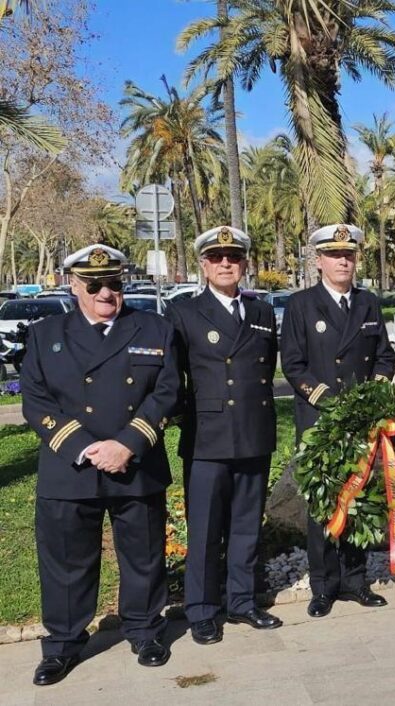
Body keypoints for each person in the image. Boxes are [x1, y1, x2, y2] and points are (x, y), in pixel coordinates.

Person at [21, 245, 180, 686]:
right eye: (93, 285)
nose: (105, 293)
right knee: (66, 563)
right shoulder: (45, 334)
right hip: (70, 466)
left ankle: (145, 631)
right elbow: (35, 400)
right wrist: (87, 447)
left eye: (113, 283)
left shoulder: (154, 328)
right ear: (73, 286)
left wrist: (127, 444)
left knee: (144, 556)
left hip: (135, 463)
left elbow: (167, 391)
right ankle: (63, 645)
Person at [166, 226, 282, 645]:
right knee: (204, 529)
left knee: (246, 524)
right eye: (216, 257)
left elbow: (265, 369)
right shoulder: (183, 312)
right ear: (203, 265)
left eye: (233, 257)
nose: (226, 264)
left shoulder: (261, 312)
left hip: (253, 430)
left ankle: (242, 601)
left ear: (245, 263)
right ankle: (201, 610)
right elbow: (172, 376)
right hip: (208, 436)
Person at [280, 224, 395, 618]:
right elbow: (292, 364)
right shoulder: (301, 305)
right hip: (321, 419)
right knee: (323, 503)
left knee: (358, 498)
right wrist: (328, 400)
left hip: (360, 421)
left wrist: (371, 396)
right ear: (319, 261)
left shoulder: (368, 303)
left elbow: (384, 356)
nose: (343, 261)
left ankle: (355, 580)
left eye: (348, 255)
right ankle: (324, 586)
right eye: (334, 255)